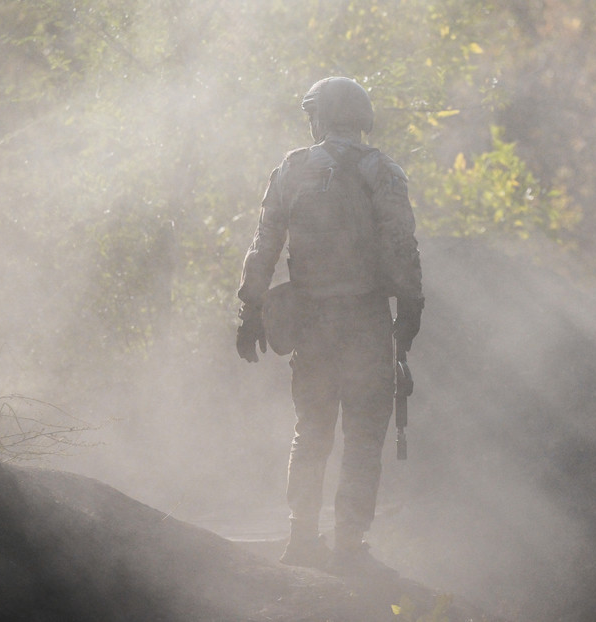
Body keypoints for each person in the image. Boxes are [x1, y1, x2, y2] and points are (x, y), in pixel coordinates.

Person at [235, 76, 424, 576]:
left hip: (313, 322)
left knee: (312, 430)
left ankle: (302, 534)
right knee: (363, 435)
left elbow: (265, 241)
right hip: (364, 321)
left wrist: (250, 309)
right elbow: (401, 244)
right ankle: (349, 544)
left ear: (319, 115)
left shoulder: (294, 168)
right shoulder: (383, 172)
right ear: (361, 117)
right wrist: (410, 308)